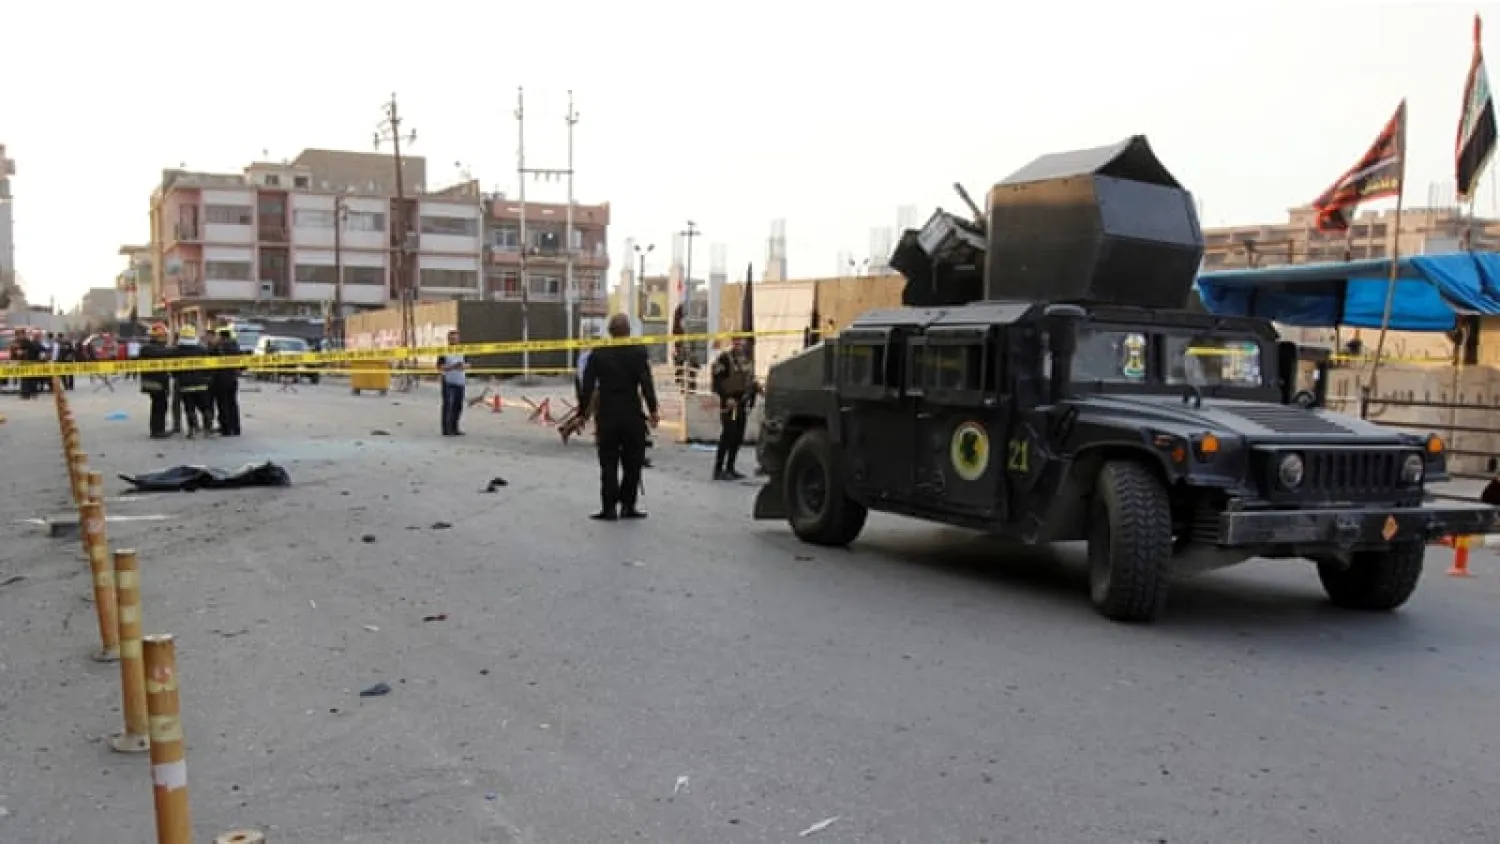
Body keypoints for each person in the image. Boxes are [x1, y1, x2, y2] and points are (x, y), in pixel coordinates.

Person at [578, 313, 659, 521]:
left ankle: (609, 508)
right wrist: (653, 410)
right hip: (632, 414)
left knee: (608, 462)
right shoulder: (639, 352)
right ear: (628, 332)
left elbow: (587, 386)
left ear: (610, 332)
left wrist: (582, 413)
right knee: (633, 462)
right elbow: (646, 383)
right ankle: (628, 506)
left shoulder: (598, 353)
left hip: (607, 415)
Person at [710, 339, 757, 480]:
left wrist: (753, 396)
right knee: (728, 435)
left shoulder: (746, 360)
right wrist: (726, 398)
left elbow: (750, 380)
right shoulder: (725, 359)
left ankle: (730, 467)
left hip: (741, 402)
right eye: (736, 342)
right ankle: (718, 469)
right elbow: (717, 382)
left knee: (738, 436)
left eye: (741, 342)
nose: (739, 345)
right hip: (730, 402)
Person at [172, 326, 213, 438]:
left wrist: (177, 377)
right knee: (205, 408)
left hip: (185, 385)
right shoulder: (202, 349)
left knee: (189, 408)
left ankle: (192, 430)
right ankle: (208, 430)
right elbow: (208, 367)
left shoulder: (177, 351)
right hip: (201, 384)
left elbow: (173, 369)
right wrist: (207, 378)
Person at [138, 323, 173, 438]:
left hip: (157, 381)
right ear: (158, 337)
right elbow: (165, 354)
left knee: (159, 405)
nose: (166, 338)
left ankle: (158, 429)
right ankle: (157, 431)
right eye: (164, 336)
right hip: (156, 382)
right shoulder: (150, 349)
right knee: (159, 406)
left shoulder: (149, 348)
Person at [211, 329, 242, 436]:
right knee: (232, 403)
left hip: (220, 379)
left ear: (220, 335)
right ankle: (236, 428)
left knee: (222, 404)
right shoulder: (236, 347)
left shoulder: (217, 346)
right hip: (233, 378)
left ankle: (226, 429)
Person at [437, 330, 466, 436]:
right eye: (452, 338)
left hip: (460, 381)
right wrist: (452, 367)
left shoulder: (463, 350)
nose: (454, 340)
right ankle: (446, 429)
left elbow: (469, 364)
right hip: (448, 381)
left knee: (458, 406)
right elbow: (439, 367)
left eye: (456, 338)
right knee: (447, 405)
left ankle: (455, 428)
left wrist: (463, 366)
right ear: (448, 339)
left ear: (459, 339)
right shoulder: (444, 351)